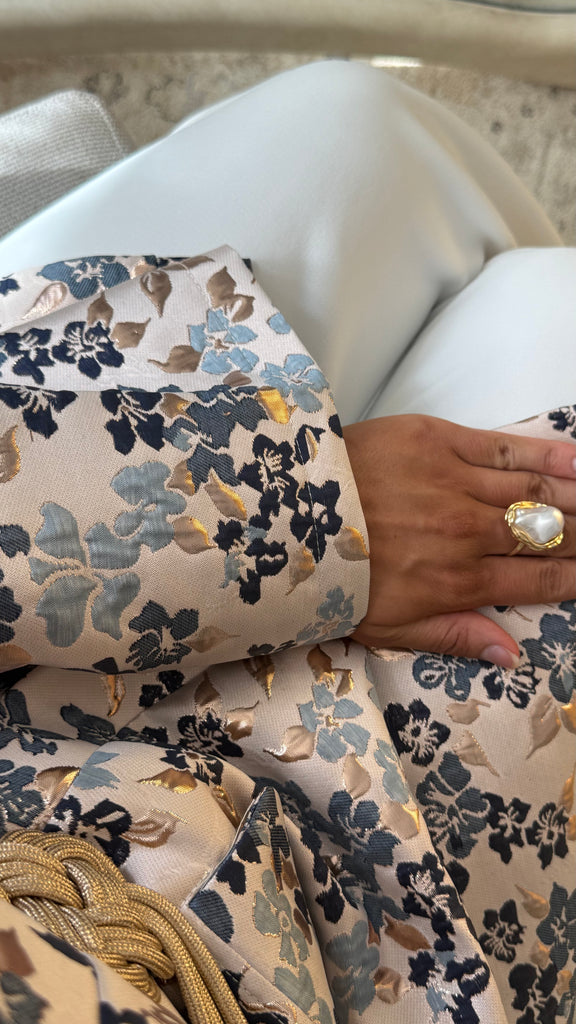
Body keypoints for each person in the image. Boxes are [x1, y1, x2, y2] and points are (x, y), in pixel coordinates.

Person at [0, 60, 574, 1024]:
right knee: (549, 307)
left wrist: (291, 511)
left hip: (67, 484)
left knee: (359, 129)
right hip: (296, 926)